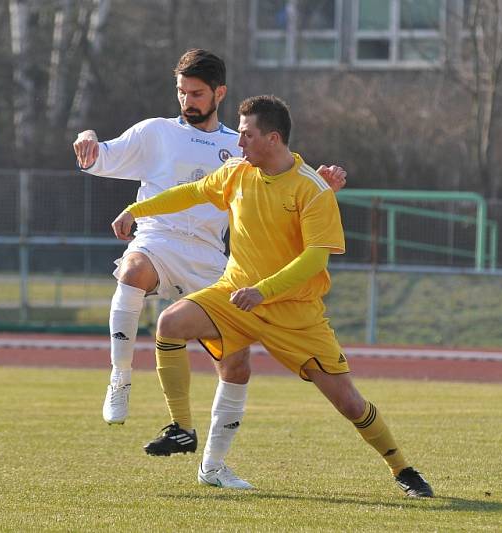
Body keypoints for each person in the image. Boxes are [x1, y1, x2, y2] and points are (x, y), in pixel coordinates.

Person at [111, 95, 434, 497]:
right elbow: (191, 193)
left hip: (294, 312)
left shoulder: (312, 189)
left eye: (246, 135)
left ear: (273, 138)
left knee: (350, 403)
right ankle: (183, 429)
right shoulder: (236, 172)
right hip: (236, 295)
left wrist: (263, 291)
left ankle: (402, 468)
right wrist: (136, 209)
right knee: (170, 324)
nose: (239, 143)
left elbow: (315, 259)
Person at [73, 50, 345, 487]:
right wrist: (86, 136)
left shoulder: (240, 145)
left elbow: (285, 183)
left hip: (211, 261)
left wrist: (325, 188)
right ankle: (120, 377)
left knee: (235, 367)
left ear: (219, 93)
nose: (187, 100)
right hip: (157, 240)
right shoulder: (154, 132)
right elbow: (97, 157)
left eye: (196, 93)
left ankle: (213, 466)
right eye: (181, 91)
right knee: (132, 273)